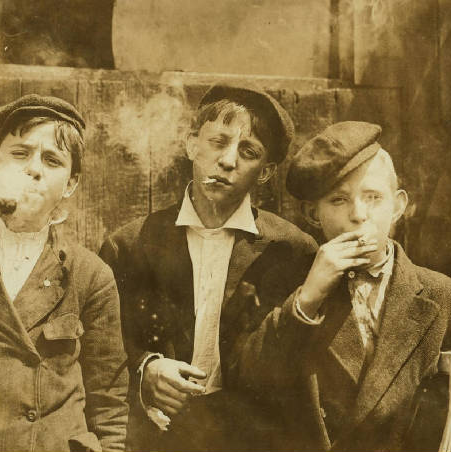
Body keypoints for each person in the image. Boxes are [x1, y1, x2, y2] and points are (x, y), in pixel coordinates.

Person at [225, 121, 451, 451]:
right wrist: (306, 300)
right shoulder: (286, 287)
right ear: (312, 214)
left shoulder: (444, 296)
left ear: (398, 205)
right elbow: (247, 384)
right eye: (338, 200)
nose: (358, 214)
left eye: (373, 197)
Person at [99, 83, 317, 451]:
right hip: (158, 438)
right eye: (218, 142)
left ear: (265, 172)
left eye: (248, 151)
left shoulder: (292, 252)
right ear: (191, 145)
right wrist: (144, 369)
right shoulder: (130, 244)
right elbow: (101, 346)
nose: (229, 160)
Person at [0, 94, 129, 452]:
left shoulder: (90, 275)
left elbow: (110, 407)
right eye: (20, 153)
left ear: (70, 184)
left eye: (52, 159)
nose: (34, 168)